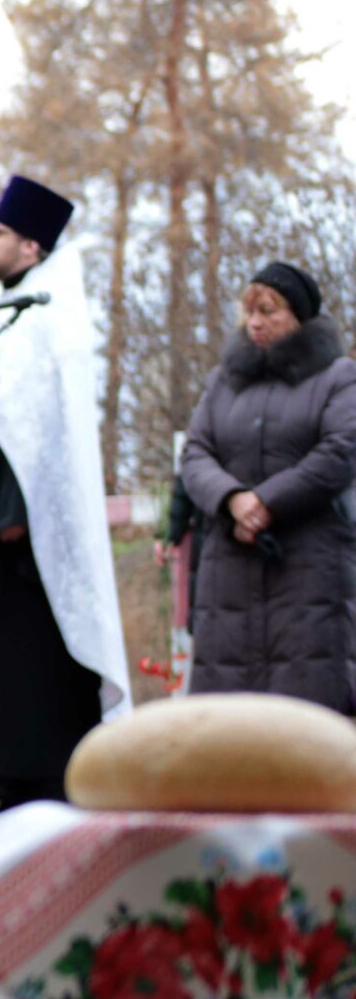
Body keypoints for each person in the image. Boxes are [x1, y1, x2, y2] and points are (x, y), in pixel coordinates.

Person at [0, 177, 130, 812]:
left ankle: (42, 778)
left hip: (21, 523)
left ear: (31, 246)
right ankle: (2, 781)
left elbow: (45, 426)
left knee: (30, 652)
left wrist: (15, 512)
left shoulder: (53, 317)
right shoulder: (9, 312)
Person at [180, 261, 356, 713]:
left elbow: (342, 449)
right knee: (228, 717)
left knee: (309, 710)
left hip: (309, 567)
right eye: (249, 311)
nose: (254, 322)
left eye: (268, 310)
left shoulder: (339, 377)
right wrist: (233, 500)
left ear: (299, 315)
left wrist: (266, 501)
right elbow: (195, 453)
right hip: (229, 570)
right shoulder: (222, 383)